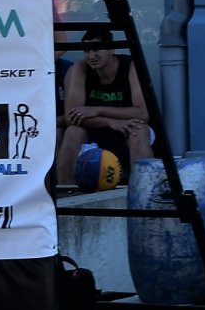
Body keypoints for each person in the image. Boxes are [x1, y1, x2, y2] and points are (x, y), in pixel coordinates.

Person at [52, 29, 154, 190]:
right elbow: (72, 117)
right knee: (73, 131)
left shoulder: (131, 66)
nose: (91, 56)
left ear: (111, 50)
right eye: (87, 51)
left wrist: (97, 110)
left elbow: (142, 114)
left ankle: (143, 191)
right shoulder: (78, 69)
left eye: (96, 49)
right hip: (97, 130)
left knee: (138, 130)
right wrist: (110, 121)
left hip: (126, 128)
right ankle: (67, 191)